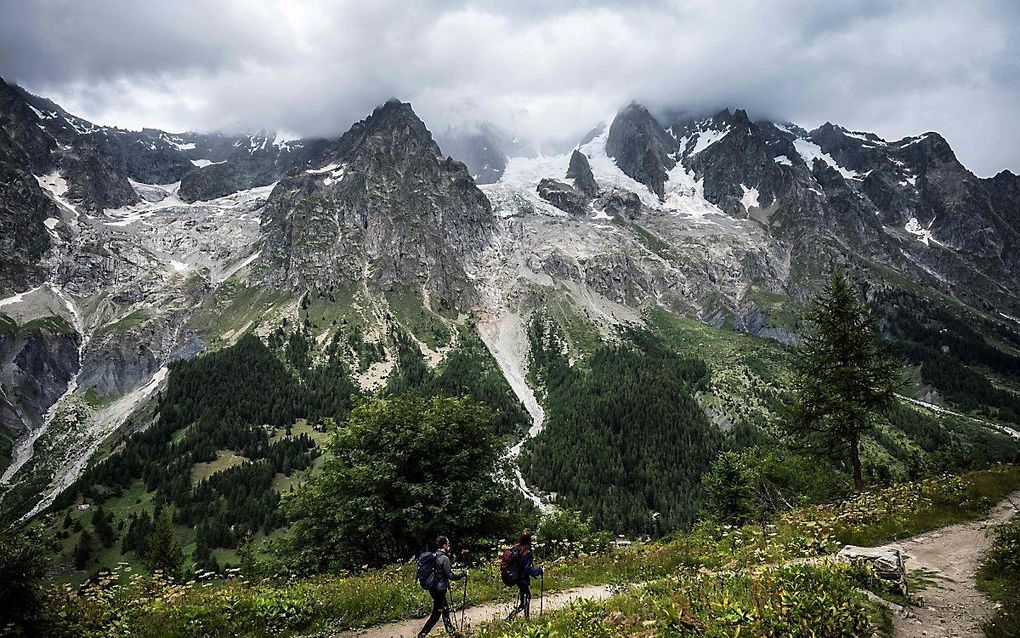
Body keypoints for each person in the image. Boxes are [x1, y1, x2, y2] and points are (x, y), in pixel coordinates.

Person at [418, 535, 467, 638]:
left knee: (445, 610)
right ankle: (422, 634)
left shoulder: (435, 556)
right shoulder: (444, 558)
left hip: (433, 589)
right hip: (440, 590)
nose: (449, 546)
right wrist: (463, 574)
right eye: (448, 544)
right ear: (444, 545)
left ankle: (451, 632)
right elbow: (451, 576)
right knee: (436, 614)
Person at [506, 530, 543, 621]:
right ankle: (516, 618)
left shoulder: (516, 548)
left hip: (515, 576)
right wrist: (539, 571)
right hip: (522, 579)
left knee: (525, 599)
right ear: (529, 540)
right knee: (526, 599)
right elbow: (527, 569)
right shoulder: (526, 552)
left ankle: (522, 618)